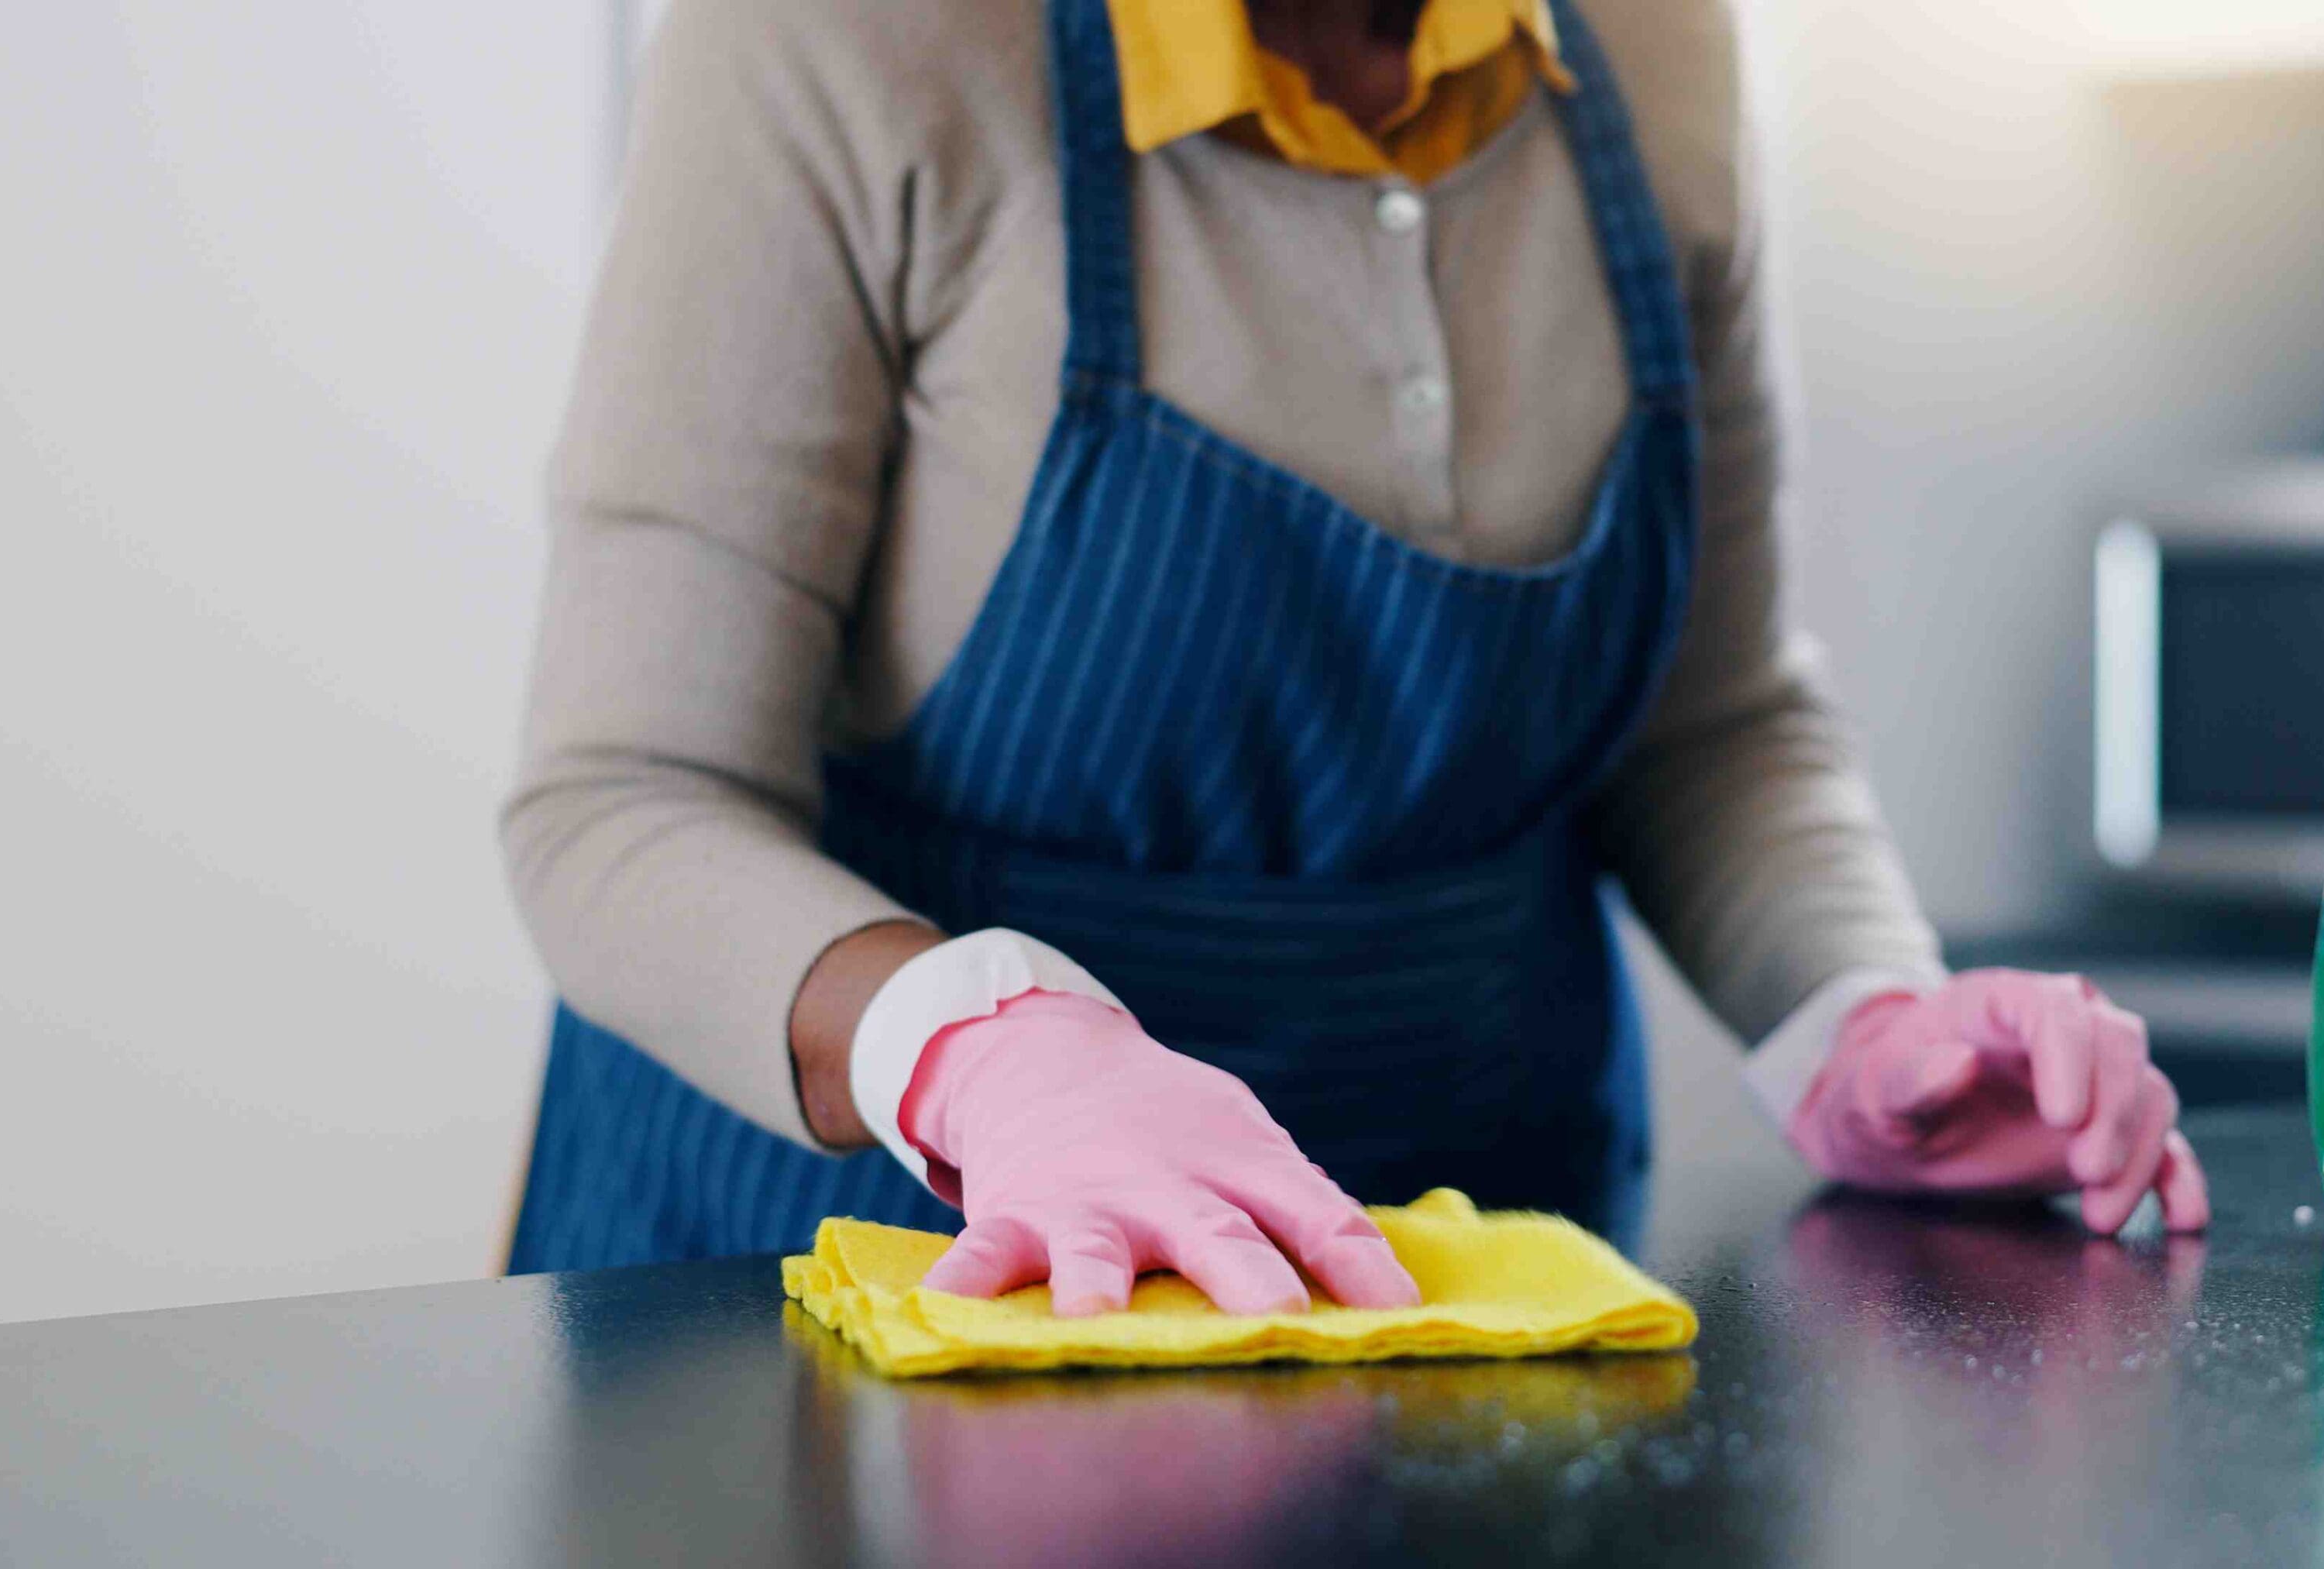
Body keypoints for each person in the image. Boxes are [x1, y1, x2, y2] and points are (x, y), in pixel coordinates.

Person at [500, 0, 2211, 1313]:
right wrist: (982, 1045)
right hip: (856, 1285)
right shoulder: (843, 42)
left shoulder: (1657, 46)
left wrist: (1863, 1023)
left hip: (1455, 1295)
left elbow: (1715, 715)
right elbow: (622, 797)